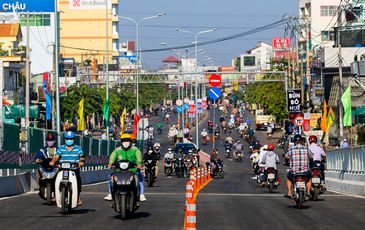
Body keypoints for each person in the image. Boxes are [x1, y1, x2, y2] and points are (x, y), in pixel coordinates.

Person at [106, 133, 146, 202]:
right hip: (119, 171)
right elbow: (113, 156)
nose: (126, 142)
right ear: (121, 142)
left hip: (133, 170)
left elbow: (138, 157)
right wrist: (110, 163)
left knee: (140, 177)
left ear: (130, 141)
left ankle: (141, 194)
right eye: (124, 140)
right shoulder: (117, 150)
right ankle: (110, 194)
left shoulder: (135, 150)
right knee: (111, 176)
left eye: (127, 140)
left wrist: (139, 163)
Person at [50, 131, 85, 206]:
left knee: (78, 181)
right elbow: (56, 157)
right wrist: (53, 161)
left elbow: (82, 157)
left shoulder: (78, 148)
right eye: (67, 138)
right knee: (54, 179)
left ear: (73, 139)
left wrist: (81, 162)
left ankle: (78, 197)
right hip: (62, 168)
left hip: (74, 168)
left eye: (71, 138)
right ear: (65, 139)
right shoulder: (61, 148)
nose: (69, 140)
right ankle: (55, 195)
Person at [284, 134, 313, 200]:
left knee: (289, 177)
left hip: (294, 172)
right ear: (302, 141)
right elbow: (311, 156)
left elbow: (286, 156)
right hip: (305, 172)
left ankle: (289, 192)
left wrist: (287, 161)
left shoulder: (291, 149)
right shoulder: (306, 149)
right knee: (309, 177)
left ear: (294, 142)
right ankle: (308, 192)